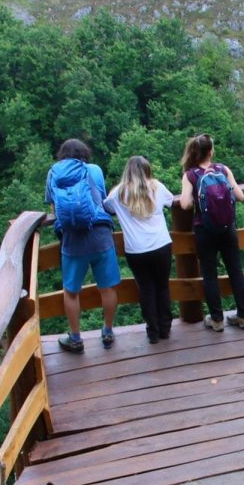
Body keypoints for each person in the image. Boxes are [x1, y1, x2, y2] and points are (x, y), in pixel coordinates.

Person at [46, 138, 120, 354]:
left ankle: (76, 338)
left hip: (72, 238)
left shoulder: (54, 172)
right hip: (100, 234)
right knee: (107, 287)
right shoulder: (94, 169)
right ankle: (107, 332)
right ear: (84, 154)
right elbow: (102, 199)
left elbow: (55, 206)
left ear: (62, 155)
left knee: (71, 292)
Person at [178, 133, 244, 332]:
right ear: (210, 152)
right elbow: (240, 196)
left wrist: (195, 197)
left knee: (209, 274)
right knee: (236, 271)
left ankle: (217, 320)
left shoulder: (191, 175)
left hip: (205, 230)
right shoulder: (222, 169)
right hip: (227, 228)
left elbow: (184, 204)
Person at [104, 156, 175, 344]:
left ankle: (152, 332)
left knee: (146, 289)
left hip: (136, 250)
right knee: (162, 286)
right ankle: (165, 328)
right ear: (148, 170)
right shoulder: (157, 187)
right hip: (161, 245)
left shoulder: (118, 194)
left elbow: (106, 207)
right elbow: (171, 202)